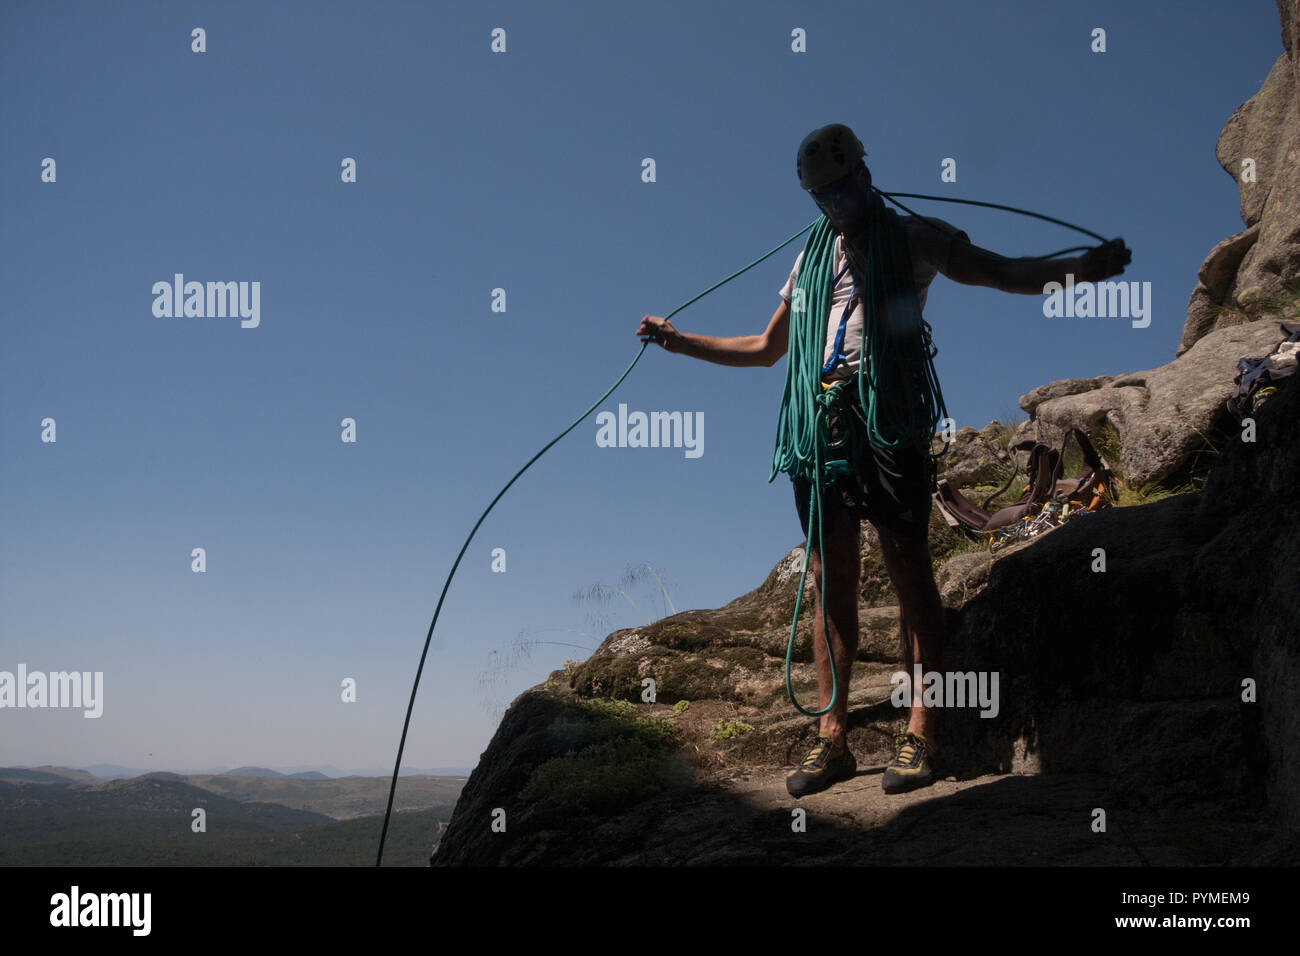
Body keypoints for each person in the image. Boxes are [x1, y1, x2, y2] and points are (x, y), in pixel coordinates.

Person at [635, 123, 1131, 796]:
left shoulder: (915, 237)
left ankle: (922, 732)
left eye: (841, 188)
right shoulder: (810, 259)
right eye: (821, 196)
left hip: (888, 419)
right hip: (821, 428)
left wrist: (1082, 270)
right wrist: (678, 342)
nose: (834, 204)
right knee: (829, 580)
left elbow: (1001, 272)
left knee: (908, 571)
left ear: (865, 176)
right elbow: (766, 347)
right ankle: (830, 740)